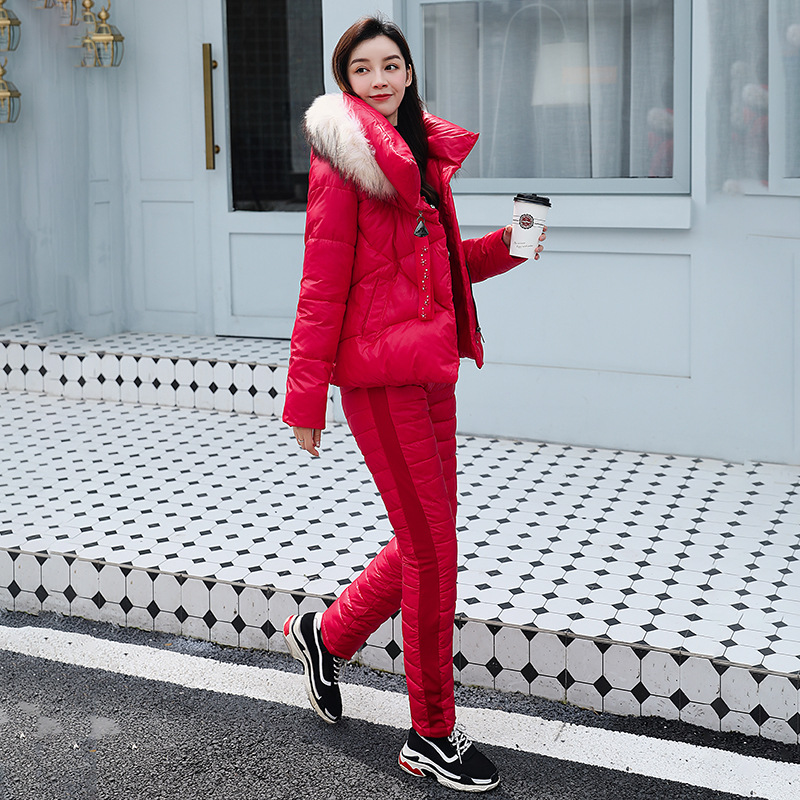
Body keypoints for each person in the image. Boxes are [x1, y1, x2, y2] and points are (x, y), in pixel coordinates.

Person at [281, 16, 545, 793]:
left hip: (432, 373)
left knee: (427, 539)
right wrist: (306, 400)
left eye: (391, 65)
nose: (380, 79)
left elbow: (437, 267)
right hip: (379, 378)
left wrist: (510, 246)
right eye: (363, 69)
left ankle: (326, 635)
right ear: (346, 81)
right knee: (433, 552)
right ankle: (431, 733)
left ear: (407, 72)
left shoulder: (420, 155)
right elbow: (322, 280)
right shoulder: (342, 159)